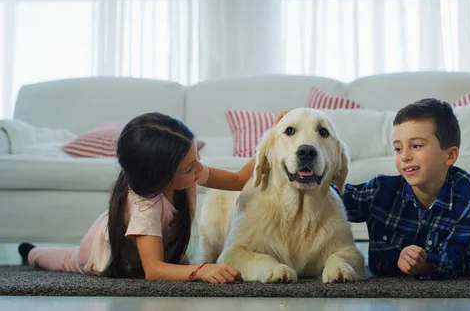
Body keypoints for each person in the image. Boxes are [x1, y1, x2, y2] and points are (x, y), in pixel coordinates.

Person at [18, 110, 287, 283]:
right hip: (99, 249)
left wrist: (275, 137)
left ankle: (34, 252)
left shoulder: (189, 173)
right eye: (190, 167)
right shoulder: (146, 208)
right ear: (161, 178)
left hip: (148, 242)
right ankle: (31, 252)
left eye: (197, 158)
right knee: (64, 259)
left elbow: (239, 180)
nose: (199, 169)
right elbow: (154, 271)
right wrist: (201, 270)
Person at [339, 98, 470, 279]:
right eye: (397, 148)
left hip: (457, 276)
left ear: (450, 155)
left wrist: (424, 264)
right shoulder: (380, 191)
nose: (405, 156)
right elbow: (332, 199)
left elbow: (453, 259)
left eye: (417, 146)